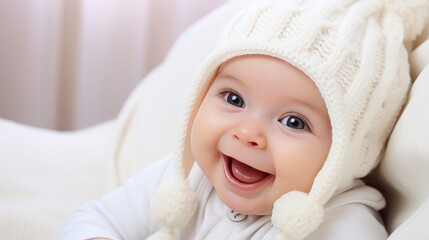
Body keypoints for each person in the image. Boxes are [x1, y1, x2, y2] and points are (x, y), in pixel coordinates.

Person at [59, 0, 429, 239]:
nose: (248, 133)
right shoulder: (188, 177)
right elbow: (95, 217)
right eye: (233, 98)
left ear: (349, 153)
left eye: (294, 122)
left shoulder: (342, 225)